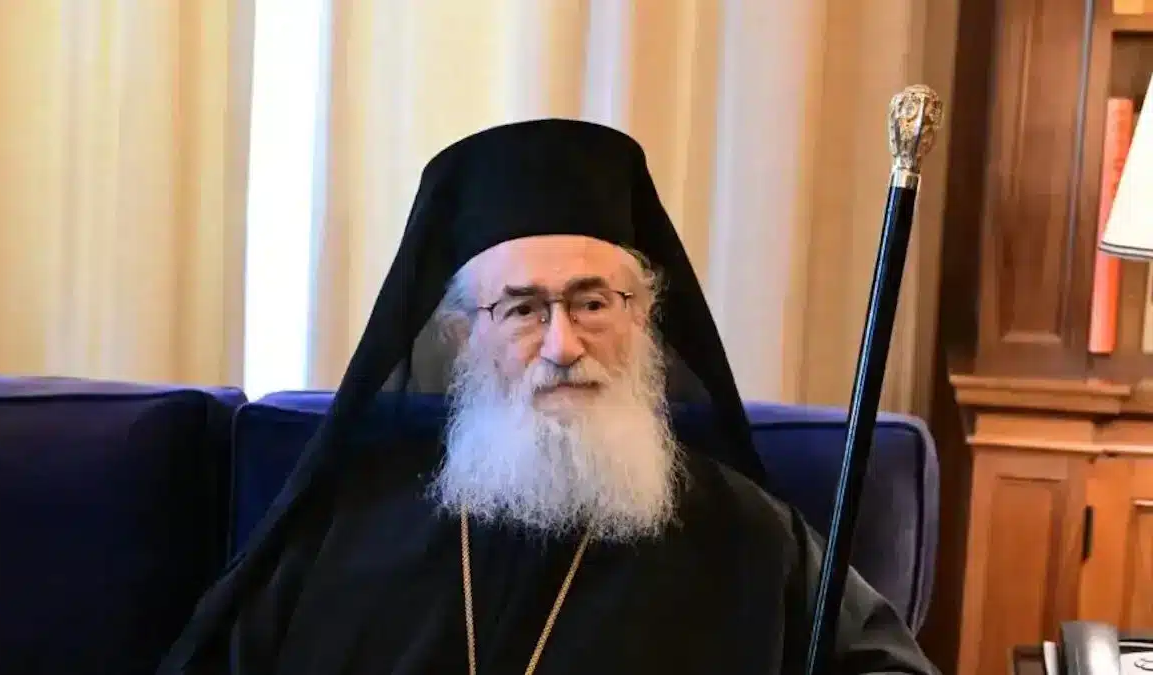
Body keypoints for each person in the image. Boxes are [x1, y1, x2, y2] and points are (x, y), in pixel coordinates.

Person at [157, 119, 939, 675]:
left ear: (641, 318)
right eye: (524, 309)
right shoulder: (344, 531)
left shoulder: (750, 537)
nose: (563, 345)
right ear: (463, 335)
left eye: (593, 303)